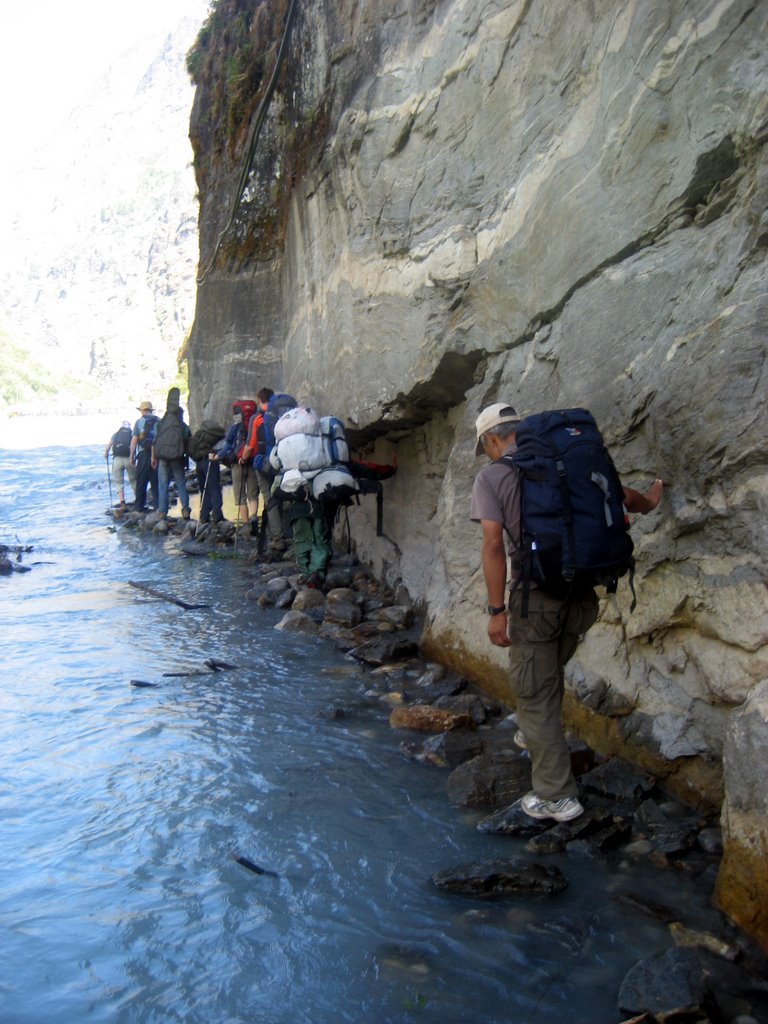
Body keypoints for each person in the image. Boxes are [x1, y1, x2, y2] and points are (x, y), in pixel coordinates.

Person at [471, 402, 663, 823]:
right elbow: (622, 495)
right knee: (545, 673)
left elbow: (491, 545)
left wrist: (496, 610)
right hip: (583, 593)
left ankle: (555, 797)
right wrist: (650, 499)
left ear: (490, 440)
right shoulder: (569, 461)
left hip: (536, 597)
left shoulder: (494, 475)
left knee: (534, 691)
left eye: (484, 444)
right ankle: (536, 733)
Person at [241, 387, 288, 558]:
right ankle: (280, 531)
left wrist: (243, 459)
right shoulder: (283, 415)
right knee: (282, 496)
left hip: (264, 464)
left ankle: (277, 538)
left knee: (270, 498)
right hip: (284, 461)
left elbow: (251, 444)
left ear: (260, 401)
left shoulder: (257, 418)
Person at [217, 401, 259, 530]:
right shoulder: (255, 422)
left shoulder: (235, 426)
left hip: (238, 463)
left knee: (240, 496)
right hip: (252, 460)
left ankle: (245, 525)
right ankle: (254, 519)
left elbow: (229, 444)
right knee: (253, 494)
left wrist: (218, 456)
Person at [152, 389, 192, 520]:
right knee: (180, 483)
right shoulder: (183, 426)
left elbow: (155, 440)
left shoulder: (161, 424)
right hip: (177, 458)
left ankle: (162, 511)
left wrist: (153, 457)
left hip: (162, 457)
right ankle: (185, 509)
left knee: (162, 484)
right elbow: (188, 441)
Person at [130, 401, 159, 512]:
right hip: (157, 454)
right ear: (151, 410)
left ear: (142, 410)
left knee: (141, 481)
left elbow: (134, 441)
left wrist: (131, 456)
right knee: (155, 481)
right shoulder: (159, 421)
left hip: (143, 454)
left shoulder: (139, 422)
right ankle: (158, 506)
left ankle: (139, 507)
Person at [105, 420, 136, 506]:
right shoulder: (132, 434)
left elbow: (107, 448)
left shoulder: (116, 434)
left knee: (118, 481)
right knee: (133, 480)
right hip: (129, 459)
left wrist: (106, 455)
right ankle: (137, 498)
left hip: (117, 459)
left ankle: (122, 501)